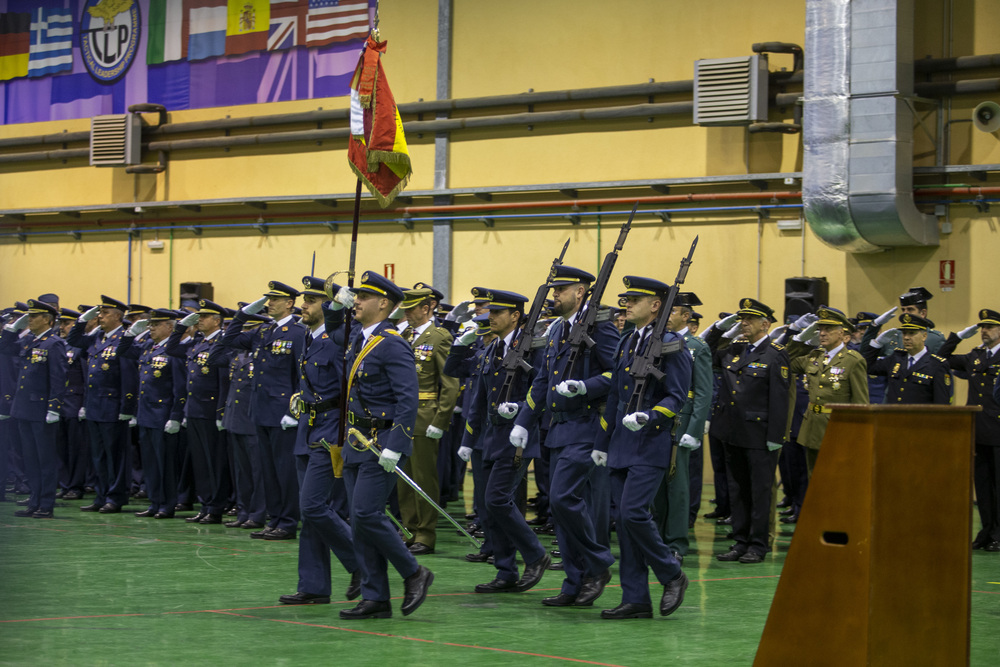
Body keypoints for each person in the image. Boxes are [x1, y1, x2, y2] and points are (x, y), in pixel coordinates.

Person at [507, 265, 617, 607]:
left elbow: (618, 373)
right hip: (558, 429)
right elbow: (542, 381)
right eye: (554, 291)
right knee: (561, 510)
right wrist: (524, 420)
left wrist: (587, 386)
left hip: (586, 425)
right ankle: (574, 582)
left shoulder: (600, 326)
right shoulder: (557, 330)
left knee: (562, 499)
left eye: (561, 291)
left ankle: (598, 564)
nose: (555, 296)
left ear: (581, 292)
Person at [593, 275, 691, 619]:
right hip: (622, 442)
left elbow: (677, 396)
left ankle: (671, 572)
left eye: (634, 300)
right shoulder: (625, 343)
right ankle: (635, 598)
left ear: (654, 306)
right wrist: (603, 443)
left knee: (634, 512)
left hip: (650, 441)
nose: (626, 305)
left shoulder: (670, 343)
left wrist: (650, 417)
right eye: (626, 299)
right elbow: (616, 398)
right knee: (624, 520)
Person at [338, 271, 433, 619]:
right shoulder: (359, 339)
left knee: (366, 513)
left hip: (382, 445)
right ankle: (375, 596)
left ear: (383, 304)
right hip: (356, 442)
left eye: (363, 297)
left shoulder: (392, 343)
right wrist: (336, 304)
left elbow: (408, 400)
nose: (356, 301)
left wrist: (397, 444)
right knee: (359, 521)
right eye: (356, 297)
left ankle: (414, 572)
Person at [450, 288, 551, 596]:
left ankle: (535, 554)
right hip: (491, 437)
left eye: (497, 313)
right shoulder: (492, 349)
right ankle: (506, 570)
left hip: (518, 438)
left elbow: (542, 388)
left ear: (515, 316)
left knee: (496, 499)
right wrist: (469, 439)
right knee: (489, 505)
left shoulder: (532, 348)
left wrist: (520, 410)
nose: (490, 317)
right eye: (490, 312)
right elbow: (478, 400)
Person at [279, 277, 362, 605]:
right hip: (308, 428)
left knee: (313, 505)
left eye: (313, 301)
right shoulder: (308, 339)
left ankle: (360, 561)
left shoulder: (339, 339)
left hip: (331, 431)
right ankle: (313, 585)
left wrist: (342, 301)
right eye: (305, 300)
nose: (304, 305)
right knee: (310, 512)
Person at [704, 298, 791, 564]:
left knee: (760, 491)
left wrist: (776, 437)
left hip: (759, 434)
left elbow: (780, 398)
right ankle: (740, 541)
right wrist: (720, 327)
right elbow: (705, 350)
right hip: (731, 431)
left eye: (750, 319)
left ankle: (758, 544)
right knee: (737, 489)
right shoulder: (734, 349)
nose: (744, 323)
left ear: (765, 324)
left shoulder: (775, 354)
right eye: (742, 319)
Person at [223, 281, 306, 540]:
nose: (269, 303)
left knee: (284, 471)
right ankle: (275, 519)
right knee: (268, 473)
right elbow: (229, 340)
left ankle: (288, 522)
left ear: (289, 303)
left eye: (274, 299)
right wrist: (244, 314)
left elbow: (301, 376)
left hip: (283, 414)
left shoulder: (298, 332)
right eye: (267, 299)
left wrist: (294, 412)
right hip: (259, 411)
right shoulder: (263, 331)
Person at [397, 287, 460, 554]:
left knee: (423, 478)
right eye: (406, 309)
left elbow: (450, 383)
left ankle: (425, 534)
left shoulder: (440, 337)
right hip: (402, 416)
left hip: (425, 414)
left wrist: (441, 419)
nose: (407, 314)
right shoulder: (404, 336)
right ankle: (409, 529)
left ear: (427, 307)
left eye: (412, 308)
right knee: (404, 478)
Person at [652, 292, 712, 562]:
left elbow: (702, 392)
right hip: (659, 420)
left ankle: (676, 542)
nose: (666, 317)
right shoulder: (658, 341)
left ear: (686, 316)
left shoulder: (696, 347)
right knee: (656, 484)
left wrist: (695, 429)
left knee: (677, 485)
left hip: (682, 421)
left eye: (672, 312)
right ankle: (657, 538)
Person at [67, 296, 138, 513]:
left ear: (118, 316)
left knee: (114, 456)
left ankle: (115, 497)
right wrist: (81, 321)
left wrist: (127, 408)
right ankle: (101, 495)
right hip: (95, 405)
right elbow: (74, 340)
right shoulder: (97, 337)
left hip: (113, 406)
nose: (100, 317)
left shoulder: (123, 341)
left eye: (105, 313)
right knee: (98, 455)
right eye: (100, 313)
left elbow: (128, 376)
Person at [937, 309, 1000, 552]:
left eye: (990, 327)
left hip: (998, 430)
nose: (984, 331)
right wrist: (958, 336)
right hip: (978, 430)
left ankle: (998, 534)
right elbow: (940, 358)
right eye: (982, 327)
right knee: (982, 486)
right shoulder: (975, 356)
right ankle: (986, 532)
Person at [166, 300, 231, 524]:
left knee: (214, 462)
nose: (200, 320)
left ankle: (215, 507)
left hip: (211, 410)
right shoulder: (197, 342)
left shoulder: (223, 343)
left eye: (204, 317)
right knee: (201, 462)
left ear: (217, 321)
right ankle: (205, 505)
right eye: (199, 317)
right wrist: (181, 326)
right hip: (194, 410)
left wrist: (221, 412)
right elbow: (171, 349)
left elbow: (224, 381)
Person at [1, 300, 67, 518]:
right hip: (24, 409)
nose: (29, 319)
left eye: (34, 316)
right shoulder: (28, 340)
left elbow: (58, 378)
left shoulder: (54, 344)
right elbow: (4, 347)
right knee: (29, 458)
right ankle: (34, 501)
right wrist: (12, 329)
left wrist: (54, 406)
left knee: (44, 459)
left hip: (41, 410)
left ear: (47, 320)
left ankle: (46, 504)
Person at [784, 307, 869, 476]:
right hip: (812, 426)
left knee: (836, 477)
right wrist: (801, 339)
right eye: (821, 329)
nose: (822, 333)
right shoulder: (814, 357)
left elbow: (861, 403)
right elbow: (786, 360)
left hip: (837, 428)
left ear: (842, 334)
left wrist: (856, 436)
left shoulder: (853, 361)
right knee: (813, 477)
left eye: (828, 329)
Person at [123, 309, 185, 518]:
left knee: (164, 464)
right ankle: (155, 501)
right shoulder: (148, 347)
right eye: (150, 324)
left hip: (163, 415)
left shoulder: (174, 351)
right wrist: (131, 334)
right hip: (146, 414)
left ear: (169, 327)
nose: (151, 328)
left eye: (156, 325)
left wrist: (175, 416)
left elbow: (179, 387)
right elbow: (124, 351)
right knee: (150, 462)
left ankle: (167, 505)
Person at [216, 313, 268, 530]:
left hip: (253, 419)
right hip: (236, 418)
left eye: (250, 329)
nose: (244, 334)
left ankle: (257, 514)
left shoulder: (262, 354)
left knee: (258, 472)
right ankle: (243, 510)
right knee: (241, 471)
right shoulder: (237, 355)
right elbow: (215, 354)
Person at [861, 313, 951, 405]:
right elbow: (868, 367)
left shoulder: (937, 365)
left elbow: (941, 402)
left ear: (924, 336)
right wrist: (876, 344)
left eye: (912, 333)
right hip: (893, 417)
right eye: (904, 333)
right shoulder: (896, 358)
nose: (906, 338)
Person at [56, 308, 89, 500]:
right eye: (60, 323)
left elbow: (86, 377)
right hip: (61, 403)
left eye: (66, 324)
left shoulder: (80, 348)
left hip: (75, 403)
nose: (62, 327)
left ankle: (76, 485)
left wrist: (84, 403)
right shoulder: (58, 345)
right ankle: (64, 483)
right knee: (61, 447)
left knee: (76, 448)